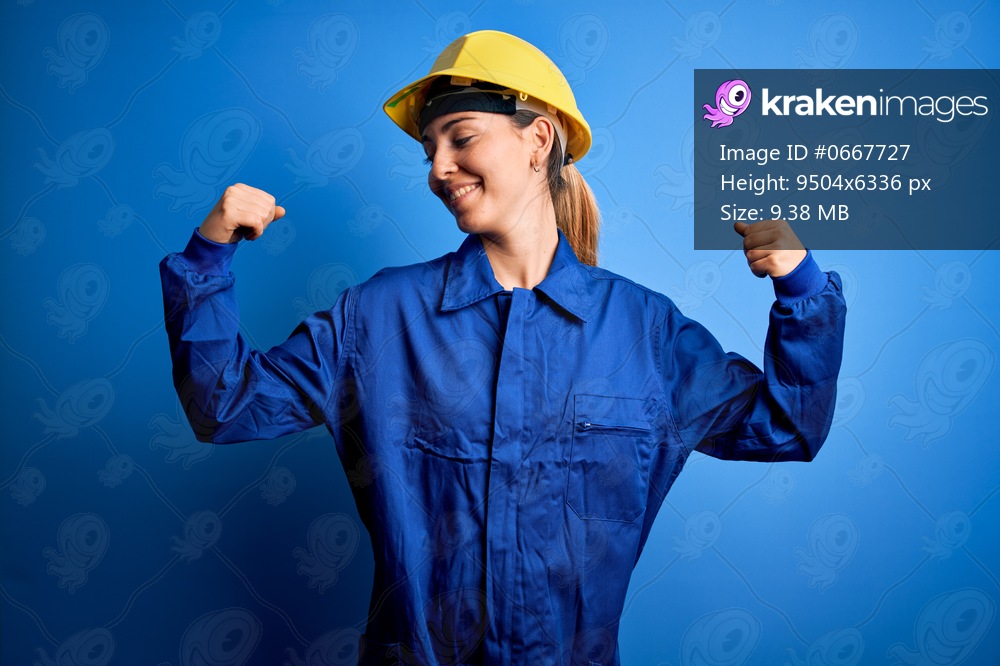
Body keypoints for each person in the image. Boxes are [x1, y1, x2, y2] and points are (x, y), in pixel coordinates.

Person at [160, 30, 846, 666]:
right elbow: (224, 406)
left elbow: (786, 427)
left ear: (538, 139)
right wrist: (209, 254)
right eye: (428, 149)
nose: (439, 168)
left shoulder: (645, 333)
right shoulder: (378, 316)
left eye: (460, 138)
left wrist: (800, 285)